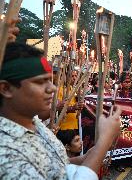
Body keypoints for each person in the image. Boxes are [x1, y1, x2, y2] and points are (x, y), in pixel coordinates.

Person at [0, 42, 122, 179]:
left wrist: (94, 152)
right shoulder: (5, 151)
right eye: (40, 82)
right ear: (6, 88)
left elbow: (55, 167)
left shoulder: (35, 125)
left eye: (49, 80)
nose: (52, 88)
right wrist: (104, 141)